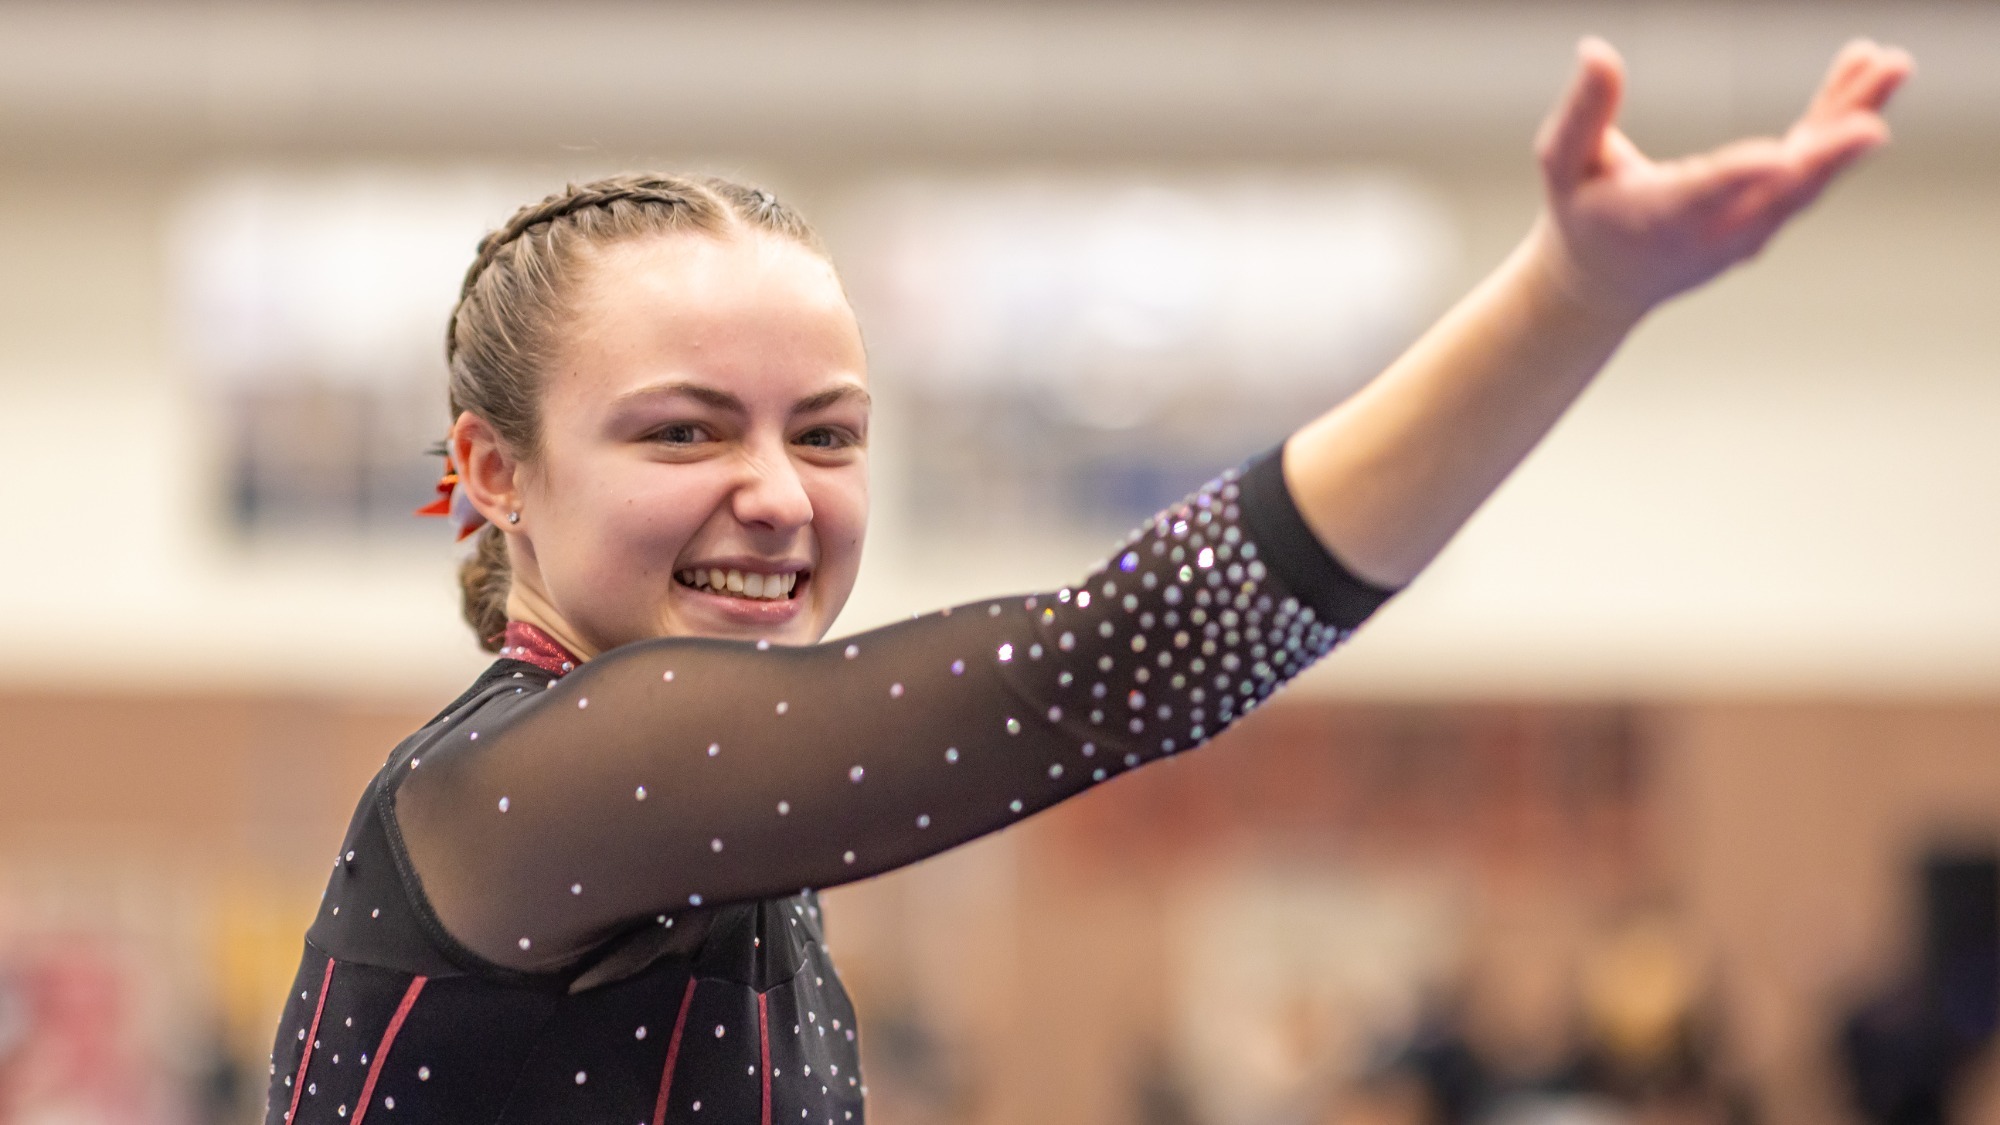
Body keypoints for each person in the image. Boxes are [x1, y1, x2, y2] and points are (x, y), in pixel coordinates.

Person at [263, 38, 1910, 1125]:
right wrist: (1570, 292)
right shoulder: (542, 781)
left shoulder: (682, 822)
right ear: (489, 472)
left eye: (827, 435)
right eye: (684, 430)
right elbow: (1117, 660)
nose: (773, 497)